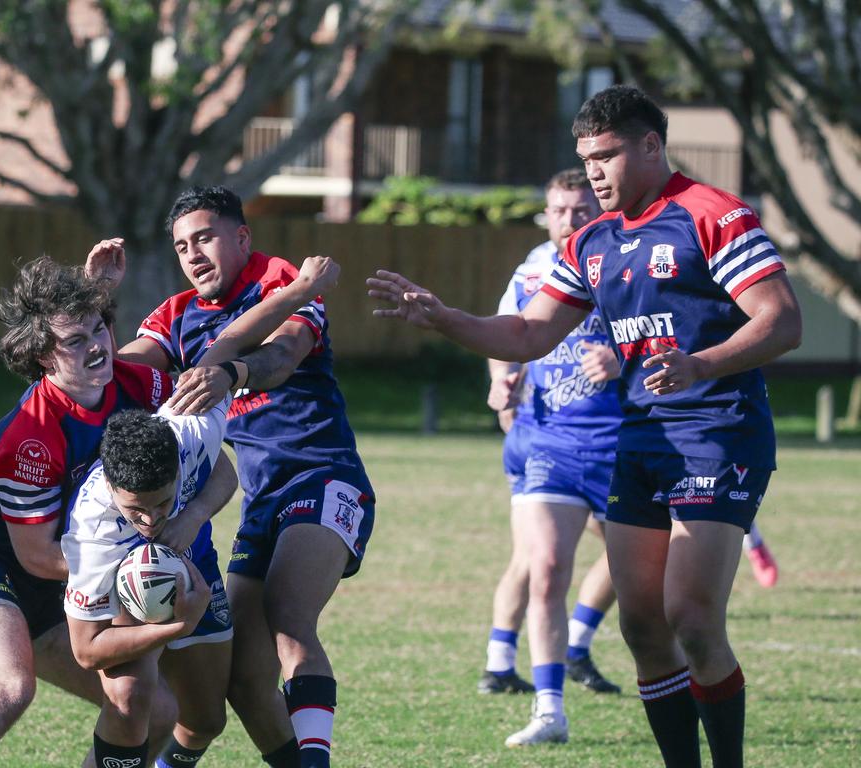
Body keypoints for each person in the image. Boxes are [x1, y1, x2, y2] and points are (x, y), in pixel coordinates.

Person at [368, 85, 801, 768]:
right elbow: (527, 332)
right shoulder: (592, 241)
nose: (594, 172)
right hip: (641, 439)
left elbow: (781, 319)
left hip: (717, 430)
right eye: (586, 159)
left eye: (606, 156)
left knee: (690, 616)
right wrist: (444, 317)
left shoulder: (712, 215)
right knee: (640, 626)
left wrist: (699, 365)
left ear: (651, 147)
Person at [89, 186, 374, 768]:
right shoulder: (174, 314)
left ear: (241, 237)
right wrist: (94, 299)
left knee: (289, 618)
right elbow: (114, 372)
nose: (193, 255)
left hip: (324, 478)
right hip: (261, 500)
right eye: (181, 246)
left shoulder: (280, 281)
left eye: (204, 238)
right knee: (241, 680)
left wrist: (234, 373)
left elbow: (283, 355)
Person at [0, 257, 185, 768]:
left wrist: (187, 524)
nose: (96, 346)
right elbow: (39, 555)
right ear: (43, 356)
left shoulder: (142, 386)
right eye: (75, 340)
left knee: (153, 712)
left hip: (58, 585)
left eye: (99, 329)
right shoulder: (29, 437)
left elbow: (214, 464)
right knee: (7, 686)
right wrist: (134, 569)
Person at [477, 168, 622, 747]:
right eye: (558, 210)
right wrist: (501, 381)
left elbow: (672, 333)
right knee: (544, 569)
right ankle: (548, 707)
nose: (569, 220)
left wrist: (620, 358)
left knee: (648, 578)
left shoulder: (625, 257)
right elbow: (507, 332)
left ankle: (582, 643)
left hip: (623, 440)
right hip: (549, 440)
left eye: (580, 209)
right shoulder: (534, 267)